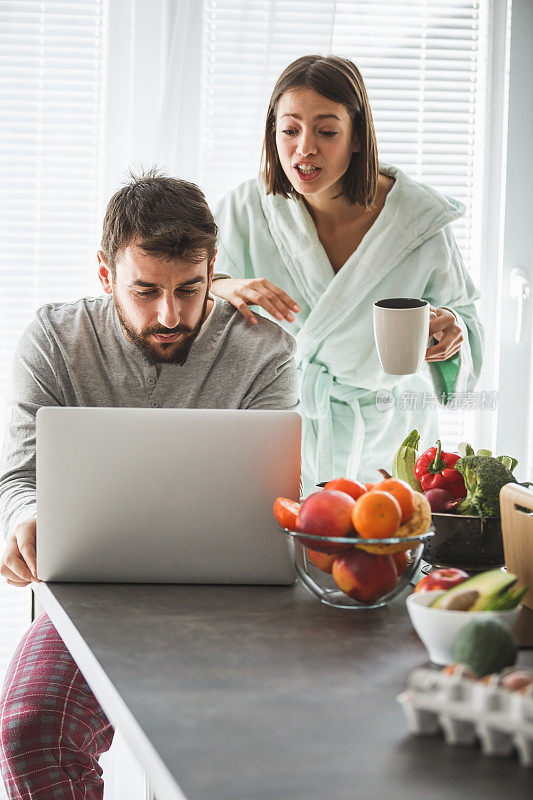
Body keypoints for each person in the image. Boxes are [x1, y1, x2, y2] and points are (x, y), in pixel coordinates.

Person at [0, 170, 298, 799]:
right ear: (106, 275)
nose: (170, 314)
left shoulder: (266, 352)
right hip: (90, 603)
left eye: (191, 289)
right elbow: (17, 480)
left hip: (239, 612)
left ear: (214, 267)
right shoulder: (54, 341)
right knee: (31, 729)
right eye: (145, 291)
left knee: (261, 747)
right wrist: (21, 519)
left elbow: (277, 500)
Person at [211, 54, 484, 494]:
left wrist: (454, 335)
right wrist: (227, 285)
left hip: (391, 437)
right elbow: (184, 296)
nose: (304, 148)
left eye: (327, 131)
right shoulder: (246, 210)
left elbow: (467, 329)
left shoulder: (416, 221)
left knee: (384, 557)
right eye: (290, 129)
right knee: (282, 556)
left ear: (357, 137)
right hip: (284, 431)